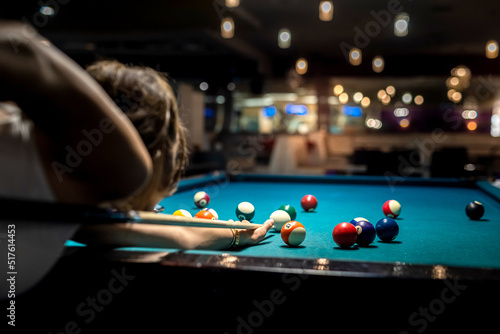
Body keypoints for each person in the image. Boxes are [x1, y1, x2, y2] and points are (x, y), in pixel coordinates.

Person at [0, 21, 273, 250]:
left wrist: (233, 234)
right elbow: (23, 48)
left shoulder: (83, 212)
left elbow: (166, 234)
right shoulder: (128, 172)